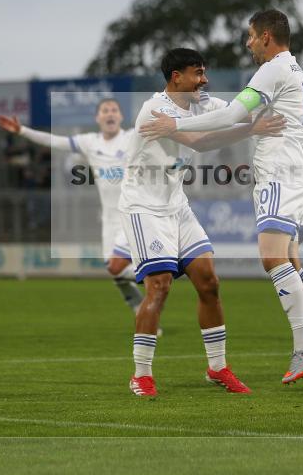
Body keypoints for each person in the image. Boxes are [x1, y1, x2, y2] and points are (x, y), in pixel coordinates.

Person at [140, 10, 303, 387]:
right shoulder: (293, 71)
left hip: (279, 175)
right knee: (291, 264)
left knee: (272, 258)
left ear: (266, 37)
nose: (248, 43)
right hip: (291, 175)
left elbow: (231, 116)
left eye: (251, 36)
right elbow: (269, 111)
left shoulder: (272, 70)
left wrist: (175, 123)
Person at [121, 47, 285, 397]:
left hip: (176, 205)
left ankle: (217, 368)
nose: (204, 80)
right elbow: (199, 141)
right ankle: (141, 375)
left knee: (209, 281)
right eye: (197, 73)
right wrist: (251, 129)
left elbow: (237, 111)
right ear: (176, 77)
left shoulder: (201, 102)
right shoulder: (155, 109)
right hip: (144, 208)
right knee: (159, 286)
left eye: (204, 72)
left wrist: (296, 101)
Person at [0, 99, 147, 319]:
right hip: (109, 219)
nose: (110, 113)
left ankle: (154, 284)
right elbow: (55, 141)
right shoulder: (89, 142)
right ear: (97, 118)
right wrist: (22, 131)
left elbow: (161, 136)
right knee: (115, 272)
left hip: (135, 214)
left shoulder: (131, 137)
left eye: (114, 110)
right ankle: (142, 304)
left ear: (121, 117)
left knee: (117, 267)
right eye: (105, 110)